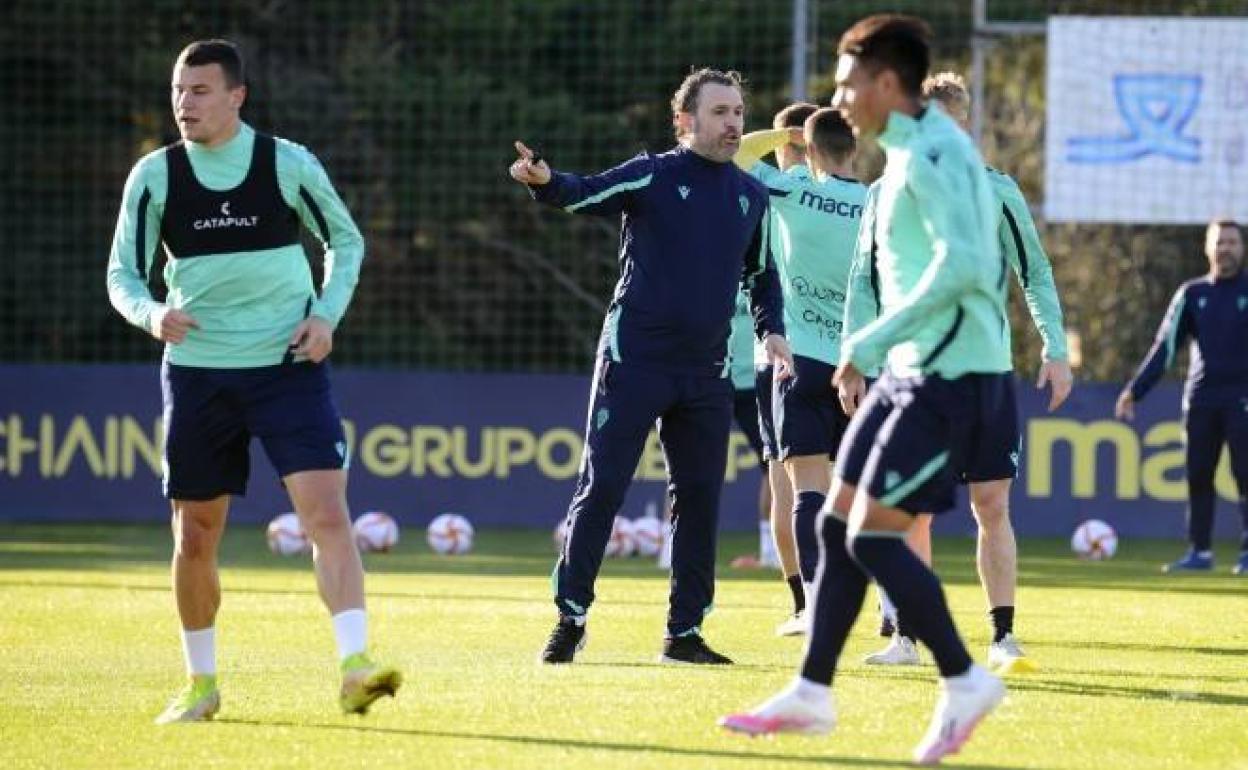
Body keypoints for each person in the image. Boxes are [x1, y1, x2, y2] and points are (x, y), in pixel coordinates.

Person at [719, 16, 1008, 764]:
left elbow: (968, 268)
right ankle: (812, 692)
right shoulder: (900, 160)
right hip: (904, 368)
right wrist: (860, 349)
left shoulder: (937, 156)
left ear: (885, 83)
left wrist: (869, 345)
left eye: (848, 81)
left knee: (870, 532)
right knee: (836, 523)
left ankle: (964, 676)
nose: (838, 97)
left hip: (949, 374)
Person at [105, 40, 400, 724]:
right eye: (179, 90)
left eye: (201, 90)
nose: (185, 103)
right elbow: (123, 274)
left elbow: (346, 241)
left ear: (237, 96)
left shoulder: (286, 163)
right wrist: (153, 314)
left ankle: (356, 668)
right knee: (195, 536)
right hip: (200, 375)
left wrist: (326, 316)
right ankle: (201, 685)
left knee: (327, 515)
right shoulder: (155, 175)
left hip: (288, 366)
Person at [509, 68, 794, 665]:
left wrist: (773, 334)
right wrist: (543, 180)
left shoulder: (752, 196)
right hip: (634, 359)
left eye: (739, 112)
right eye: (720, 112)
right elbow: (581, 190)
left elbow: (763, 276)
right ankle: (571, 618)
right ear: (685, 122)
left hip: (707, 372)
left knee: (698, 500)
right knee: (603, 486)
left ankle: (684, 633)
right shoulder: (653, 173)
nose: (734, 123)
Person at [863, 71, 1073, 673]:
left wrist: (1054, 349)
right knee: (909, 509)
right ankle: (904, 635)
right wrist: (863, 356)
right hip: (914, 376)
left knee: (992, 504)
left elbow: (1034, 274)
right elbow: (867, 280)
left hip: (984, 376)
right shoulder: (887, 191)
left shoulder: (997, 191)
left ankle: (1003, 635)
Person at [735, 105, 867, 636]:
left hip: (798, 359)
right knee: (866, 492)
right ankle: (890, 612)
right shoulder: (878, 202)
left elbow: (737, 153)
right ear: (854, 149)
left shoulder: (792, 191)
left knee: (803, 488)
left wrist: (781, 136)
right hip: (861, 362)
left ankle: (812, 603)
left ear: (807, 150)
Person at [1116, 219, 1248, 575]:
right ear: (1208, 248)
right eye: (1220, 242)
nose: (1226, 249)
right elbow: (1165, 348)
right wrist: (1135, 391)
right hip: (1201, 400)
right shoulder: (1192, 294)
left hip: (1243, 401)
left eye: (1232, 242)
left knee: (1245, 475)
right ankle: (1200, 552)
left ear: (1242, 247)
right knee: (1198, 476)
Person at [724, 288, 782, 573]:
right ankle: (667, 550)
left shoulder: (763, 275)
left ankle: (770, 552)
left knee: (771, 463)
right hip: (716, 378)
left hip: (754, 383)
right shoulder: (712, 270)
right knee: (683, 460)